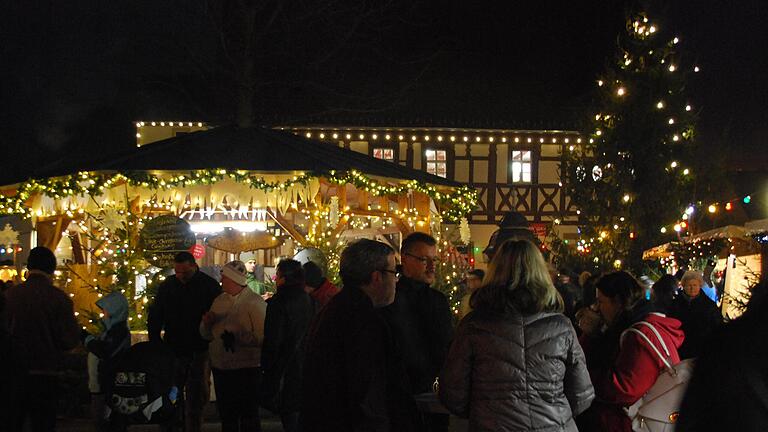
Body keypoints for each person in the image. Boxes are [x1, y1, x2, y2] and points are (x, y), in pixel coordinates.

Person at [440, 240, 595, 431]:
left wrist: (485, 410)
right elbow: (582, 395)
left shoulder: (474, 326)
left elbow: (453, 395)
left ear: (494, 271)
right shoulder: (561, 326)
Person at [301, 239, 418, 431]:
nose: (396, 280)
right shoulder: (363, 321)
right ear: (376, 277)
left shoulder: (335, 309)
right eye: (393, 272)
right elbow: (368, 395)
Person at [576, 271, 684, 432]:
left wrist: (582, 377)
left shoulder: (638, 335)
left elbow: (625, 388)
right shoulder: (627, 327)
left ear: (618, 301)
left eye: (600, 302)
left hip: (629, 424)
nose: (596, 308)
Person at [2, 246, 80, 432]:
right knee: (43, 423)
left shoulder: (10, 296)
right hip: (47, 373)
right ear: (51, 268)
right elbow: (68, 339)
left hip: (12, 373)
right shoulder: (59, 299)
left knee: (12, 422)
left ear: (29, 266)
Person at [382, 232, 453, 431]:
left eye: (434, 260)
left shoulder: (437, 300)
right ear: (404, 259)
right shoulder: (390, 298)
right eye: (424, 260)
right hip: (400, 396)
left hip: (432, 394)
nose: (432, 266)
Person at [677, 281, 768, 431]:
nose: (692, 288)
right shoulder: (726, 339)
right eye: (689, 285)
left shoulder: (726, 339)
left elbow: (693, 410)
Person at [147, 251, 221, 432]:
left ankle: (193, 425)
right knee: (172, 389)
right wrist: (155, 340)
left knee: (196, 391)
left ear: (193, 267)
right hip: (174, 347)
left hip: (199, 347)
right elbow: (156, 314)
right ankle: (173, 422)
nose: (180, 276)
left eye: (184, 273)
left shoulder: (208, 286)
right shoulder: (168, 286)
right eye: (177, 272)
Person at [200, 261, 267, 432]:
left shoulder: (254, 303)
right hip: (222, 367)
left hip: (246, 368)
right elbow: (207, 335)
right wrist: (207, 324)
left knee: (248, 414)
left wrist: (240, 337)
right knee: (227, 415)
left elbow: (263, 337)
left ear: (234, 280)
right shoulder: (219, 301)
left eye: (224, 278)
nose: (221, 281)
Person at [260, 259, 314, 432]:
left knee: (290, 415)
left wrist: (267, 367)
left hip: (285, 367)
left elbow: (273, 339)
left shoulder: (278, 302)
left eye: (277, 275)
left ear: (283, 278)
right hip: (305, 365)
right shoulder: (308, 299)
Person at [82, 291, 132, 432]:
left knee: (104, 420)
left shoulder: (118, 332)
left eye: (105, 310)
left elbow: (104, 351)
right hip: (103, 383)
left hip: (107, 384)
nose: (103, 314)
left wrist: (86, 338)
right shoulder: (112, 331)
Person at [668, 270, 721, 359]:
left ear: (700, 286)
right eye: (689, 285)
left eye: (695, 285)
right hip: (680, 348)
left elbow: (717, 325)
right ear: (683, 286)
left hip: (702, 350)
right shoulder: (675, 304)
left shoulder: (709, 305)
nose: (692, 288)